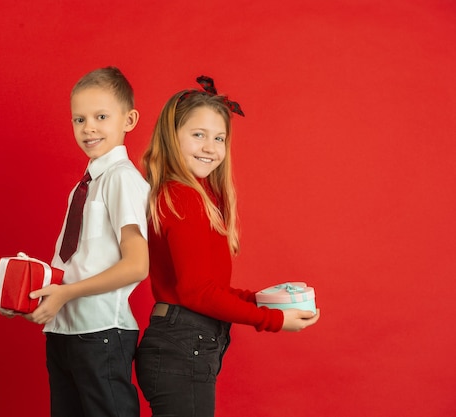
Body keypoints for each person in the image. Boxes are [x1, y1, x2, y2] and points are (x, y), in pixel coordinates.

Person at [135, 76, 320, 417]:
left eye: (219, 138)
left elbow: (206, 287)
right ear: (171, 135)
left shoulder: (195, 196)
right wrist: (272, 320)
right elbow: (196, 293)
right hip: (183, 344)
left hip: (184, 342)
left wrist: (260, 300)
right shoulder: (184, 196)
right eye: (198, 135)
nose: (210, 147)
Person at [24, 66, 150, 417]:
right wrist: (30, 293)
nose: (88, 128)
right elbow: (77, 261)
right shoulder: (86, 185)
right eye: (79, 119)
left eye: (101, 116)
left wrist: (66, 293)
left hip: (101, 333)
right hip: (64, 328)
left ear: (129, 119)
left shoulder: (121, 179)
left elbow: (137, 264)